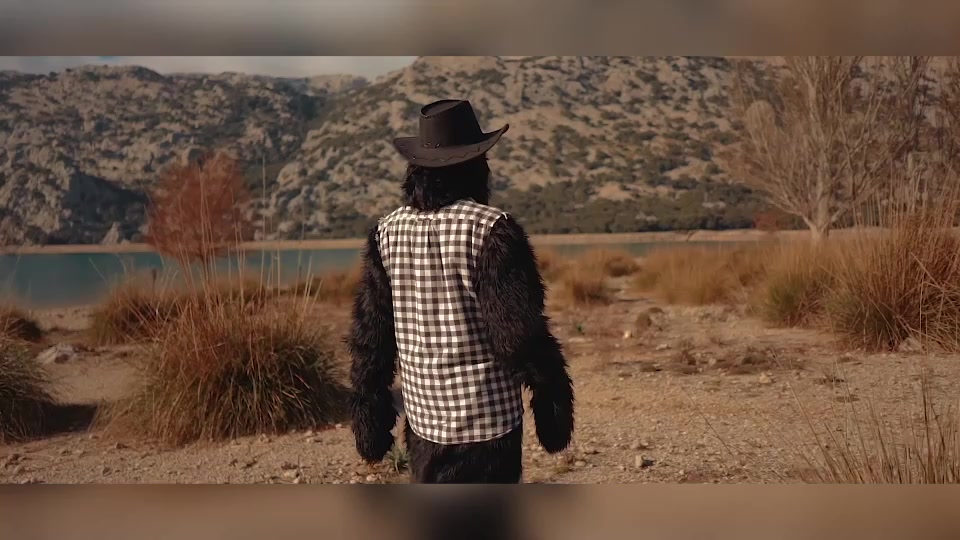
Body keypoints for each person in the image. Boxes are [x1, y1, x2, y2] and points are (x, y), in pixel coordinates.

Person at [347, 99, 574, 483]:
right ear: (477, 164)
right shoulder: (493, 230)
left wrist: (369, 417)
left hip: (425, 424)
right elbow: (518, 336)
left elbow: (371, 339)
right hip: (489, 427)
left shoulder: (386, 233)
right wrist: (552, 403)